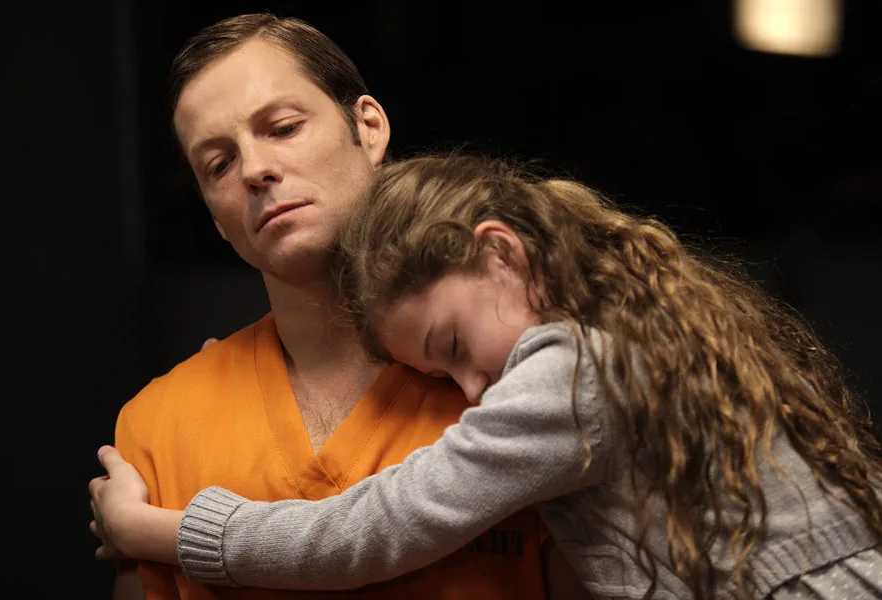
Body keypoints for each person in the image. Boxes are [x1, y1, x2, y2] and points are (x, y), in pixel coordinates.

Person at [91, 154, 882, 599]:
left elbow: (376, 526)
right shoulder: (628, 332)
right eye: (441, 369)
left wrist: (155, 532)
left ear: (501, 251)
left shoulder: (573, 375)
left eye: (454, 344)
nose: (470, 389)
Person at [95, 12, 572, 600]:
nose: (254, 170)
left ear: (368, 127)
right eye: (219, 165)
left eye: (283, 128)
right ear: (213, 215)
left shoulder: (509, 371)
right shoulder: (161, 424)